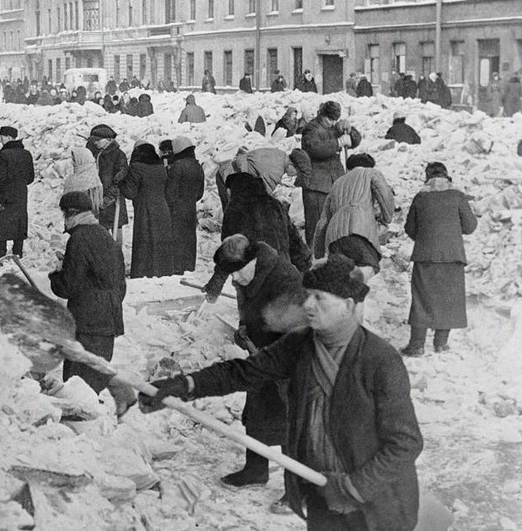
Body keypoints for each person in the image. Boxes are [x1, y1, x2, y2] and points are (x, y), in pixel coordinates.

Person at [140, 255, 423, 531]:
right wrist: (185, 385)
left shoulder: (380, 361)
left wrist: (352, 487)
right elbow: (244, 372)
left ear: (348, 306)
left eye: (320, 298)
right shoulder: (301, 345)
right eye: (308, 295)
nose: (309, 305)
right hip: (322, 493)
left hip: (375, 505)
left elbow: (405, 443)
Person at [208, 235, 305, 503]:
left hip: (289, 358)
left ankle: (296, 488)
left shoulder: (285, 277)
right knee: (258, 413)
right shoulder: (246, 276)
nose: (234, 280)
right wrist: (244, 328)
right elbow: (249, 308)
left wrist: (277, 357)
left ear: (252, 261)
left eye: (237, 273)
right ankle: (255, 470)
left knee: (289, 419)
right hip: (262, 354)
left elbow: (298, 327)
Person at [49, 191, 126, 394]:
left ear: (71, 214)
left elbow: (68, 286)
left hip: (86, 322)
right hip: (109, 319)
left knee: (77, 386)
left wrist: (57, 273)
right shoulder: (106, 236)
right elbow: (119, 283)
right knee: (95, 382)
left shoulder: (79, 239)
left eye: (64, 215)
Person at [402, 162, 477, 356]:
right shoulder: (458, 196)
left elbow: (410, 228)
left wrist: (427, 239)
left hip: (426, 256)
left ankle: (417, 345)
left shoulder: (420, 197)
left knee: (421, 299)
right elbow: (470, 226)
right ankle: (441, 344)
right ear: (447, 176)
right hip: (453, 256)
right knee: (449, 299)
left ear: (427, 177)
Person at [205, 172, 311, 301]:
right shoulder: (275, 205)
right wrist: (305, 267)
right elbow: (294, 239)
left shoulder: (236, 209)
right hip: (281, 269)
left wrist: (215, 285)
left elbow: (230, 251)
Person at [313, 153, 395, 281]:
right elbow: (384, 194)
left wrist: (318, 253)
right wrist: (387, 218)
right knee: (368, 267)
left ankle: (345, 297)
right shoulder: (370, 173)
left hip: (334, 236)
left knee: (341, 276)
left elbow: (322, 222)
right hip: (358, 229)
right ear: (370, 166)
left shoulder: (337, 183)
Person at [299, 100, 361, 247]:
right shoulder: (311, 129)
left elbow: (356, 140)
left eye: (335, 120)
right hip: (316, 186)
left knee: (333, 223)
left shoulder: (334, 127)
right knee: (316, 226)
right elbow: (315, 148)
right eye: (329, 120)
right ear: (322, 115)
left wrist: (350, 130)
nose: (332, 123)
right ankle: (314, 258)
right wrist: (338, 143)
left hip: (334, 183)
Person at [117, 142, 175, 278]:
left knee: (145, 242)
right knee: (160, 241)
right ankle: (162, 271)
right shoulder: (161, 166)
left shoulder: (136, 167)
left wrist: (120, 183)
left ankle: (143, 272)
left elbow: (130, 192)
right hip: (162, 208)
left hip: (145, 210)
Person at [0, 126, 35, 260]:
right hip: (21, 194)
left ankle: (1, 255)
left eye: (2, 136)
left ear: (8, 137)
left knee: (0, 225)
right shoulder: (26, 154)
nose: (0, 139)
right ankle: (17, 253)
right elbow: (30, 178)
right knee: (18, 224)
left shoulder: (3, 154)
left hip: (4, 194)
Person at [165, 136, 205, 274]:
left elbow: (170, 193)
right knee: (189, 238)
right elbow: (200, 193)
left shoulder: (177, 166)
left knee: (176, 238)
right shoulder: (197, 165)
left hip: (176, 209)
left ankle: (177, 267)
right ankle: (189, 265)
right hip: (190, 207)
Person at [88, 124, 129, 240]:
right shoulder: (97, 154)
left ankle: (117, 255)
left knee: (116, 230)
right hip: (100, 199)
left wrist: (109, 198)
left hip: (114, 200)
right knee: (102, 232)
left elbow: (120, 178)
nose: (95, 143)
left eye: (98, 140)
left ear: (109, 140)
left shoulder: (119, 155)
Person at [231, 147, 312, 195]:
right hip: (232, 175)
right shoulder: (277, 171)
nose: (294, 176)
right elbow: (263, 194)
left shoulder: (280, 154)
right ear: (291, 165)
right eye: (296, 173)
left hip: (235, 164)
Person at [64, 147, 104, 214]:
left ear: (83, 160)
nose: (72, 163)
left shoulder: (92, 180)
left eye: (75, 160)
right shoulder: (71, 178)